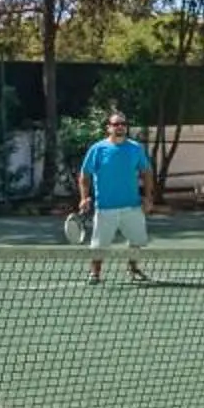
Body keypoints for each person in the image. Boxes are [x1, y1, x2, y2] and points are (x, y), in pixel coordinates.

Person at [74, 109, 153, 286]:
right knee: (99, 245)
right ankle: (95, 274)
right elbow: (84, 175)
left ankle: (133, 269)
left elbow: (147, 172)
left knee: (137, 241)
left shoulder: (135, 149)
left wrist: (148, 197)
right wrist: (84, 198)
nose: (120, 127)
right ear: (109, 128)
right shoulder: (97, 149)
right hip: (105, 208)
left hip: (132, 207)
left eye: (123, 124)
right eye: (116, 124)